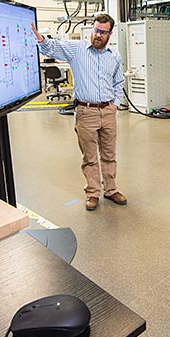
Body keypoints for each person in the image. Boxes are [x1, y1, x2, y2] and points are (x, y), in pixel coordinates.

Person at [31, 14, 127, 211]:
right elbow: (54, 47)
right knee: (90, 157)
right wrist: (42, 40)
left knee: (109, 155)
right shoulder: (77, 50)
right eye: (96, 30)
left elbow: (119, 82)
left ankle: (111, 189)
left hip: (108, 111)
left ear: (110, 34)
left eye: (103, 32)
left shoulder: (114, 56)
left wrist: (115, 104)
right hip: (86, 111)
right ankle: (93, 193)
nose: (98, 35)